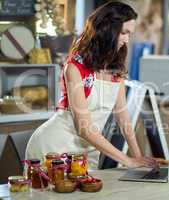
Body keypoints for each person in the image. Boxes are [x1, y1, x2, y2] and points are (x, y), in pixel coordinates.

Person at [25, 1, 159, 170]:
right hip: (53, 148)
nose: (126, 40)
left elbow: (122, 116)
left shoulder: (115, 69)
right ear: (107, 30)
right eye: (123, 33)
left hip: (87, 154)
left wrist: (138, 158)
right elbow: (84, 129)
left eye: (129, 34)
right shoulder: (75, 67)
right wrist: (127, 160)